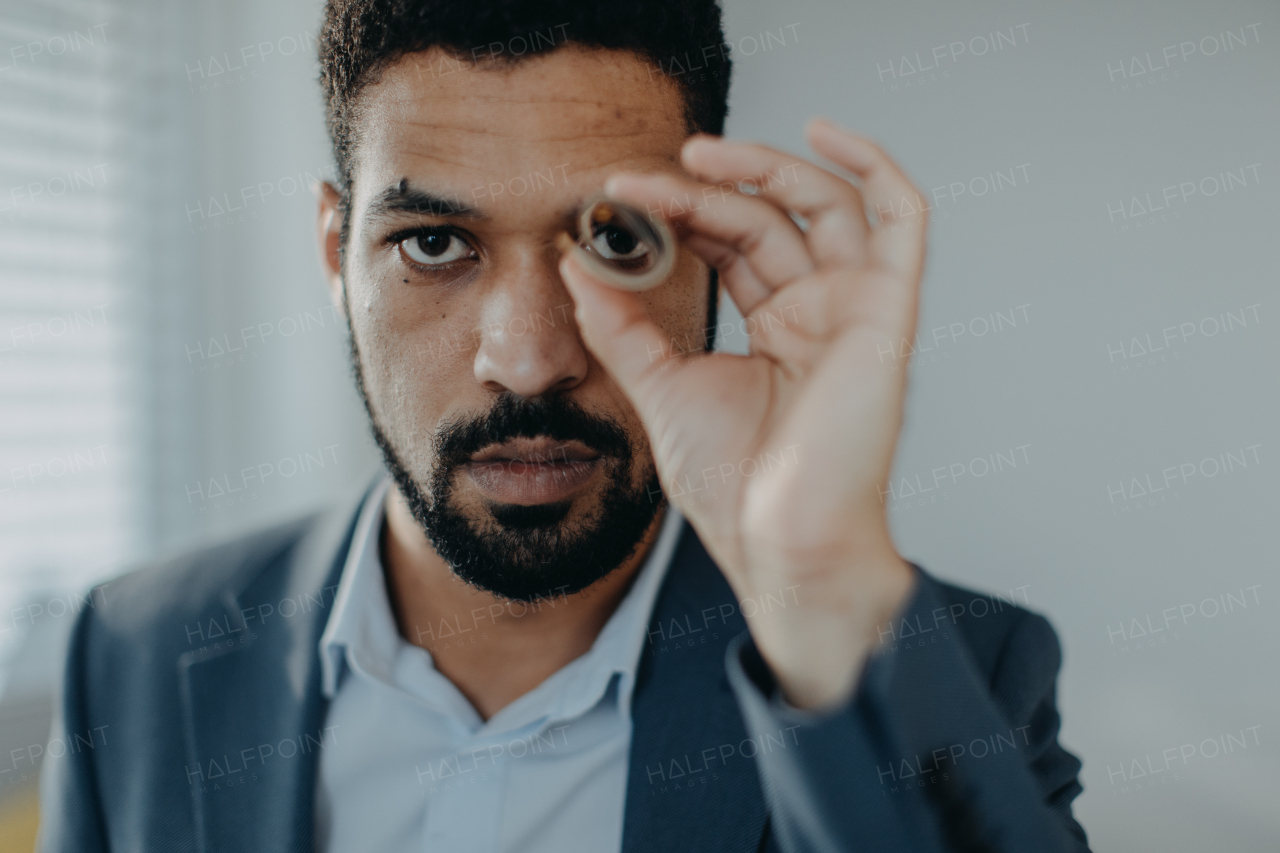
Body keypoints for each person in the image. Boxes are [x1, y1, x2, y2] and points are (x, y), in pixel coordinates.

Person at [38, 1, 1089, 851]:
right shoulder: (128, 653)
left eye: (615, 240)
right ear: (333, 256)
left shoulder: (951, 677)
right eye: (435, 243)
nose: (532, 358)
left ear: (711, 250)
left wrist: (815, 588)